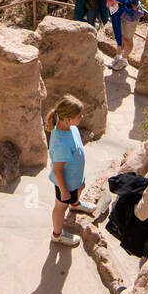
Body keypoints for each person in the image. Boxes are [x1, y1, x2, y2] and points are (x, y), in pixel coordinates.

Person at [46, 95, 95, 247]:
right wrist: (63, 190)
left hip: (75, 178)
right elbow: (58, 170)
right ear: (68, 119)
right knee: (60, 207)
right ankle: (57, 234)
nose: (82, 117)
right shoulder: (61, 143)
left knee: (81, 186)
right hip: (65, 183)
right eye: (79, 116)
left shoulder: (70, 128)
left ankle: (75, 204)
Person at [109, 0, 142, 70]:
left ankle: (124, 59)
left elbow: (134, 6)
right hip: (121, 12)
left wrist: (122, 0)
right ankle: (118, 57)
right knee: (122, 37)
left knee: (128, 39)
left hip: (131, 15)